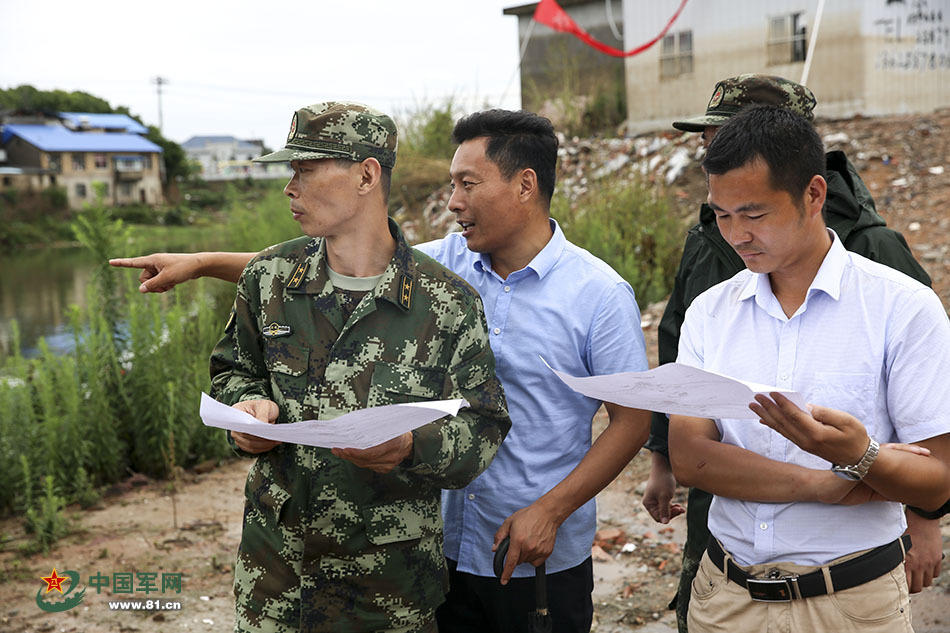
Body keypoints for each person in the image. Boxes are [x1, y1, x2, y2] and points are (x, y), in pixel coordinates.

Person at [112, 109, 653, 633]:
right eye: (451, 183)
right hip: (440, 546)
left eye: (467, 184)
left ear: (525, 185)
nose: (452, 202)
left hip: (531, 547)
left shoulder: (595, 295)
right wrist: (203, 263)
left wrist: (551, 512)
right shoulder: (449, 261)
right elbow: (343, 259)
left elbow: (631, 421)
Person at [639, 73, 947, 632]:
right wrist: (837, 480)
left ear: (813, 194)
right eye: (722, 215)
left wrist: (864, 452)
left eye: (754, 214)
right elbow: (693, 457)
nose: (736, 235)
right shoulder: (712, 311)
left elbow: (938, 477)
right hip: (726, 599)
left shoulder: (902, 307)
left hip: (853, 605)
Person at [204, 101, 511, 633]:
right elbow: (234, 371)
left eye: (305, 169)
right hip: (276, 580)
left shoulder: (445, 303)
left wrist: (412, 447)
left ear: (367, 175)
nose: (290, 187)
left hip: (387, 594)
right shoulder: (269, 277)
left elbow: (483, 425)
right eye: (290, 171)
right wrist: (245, 412)